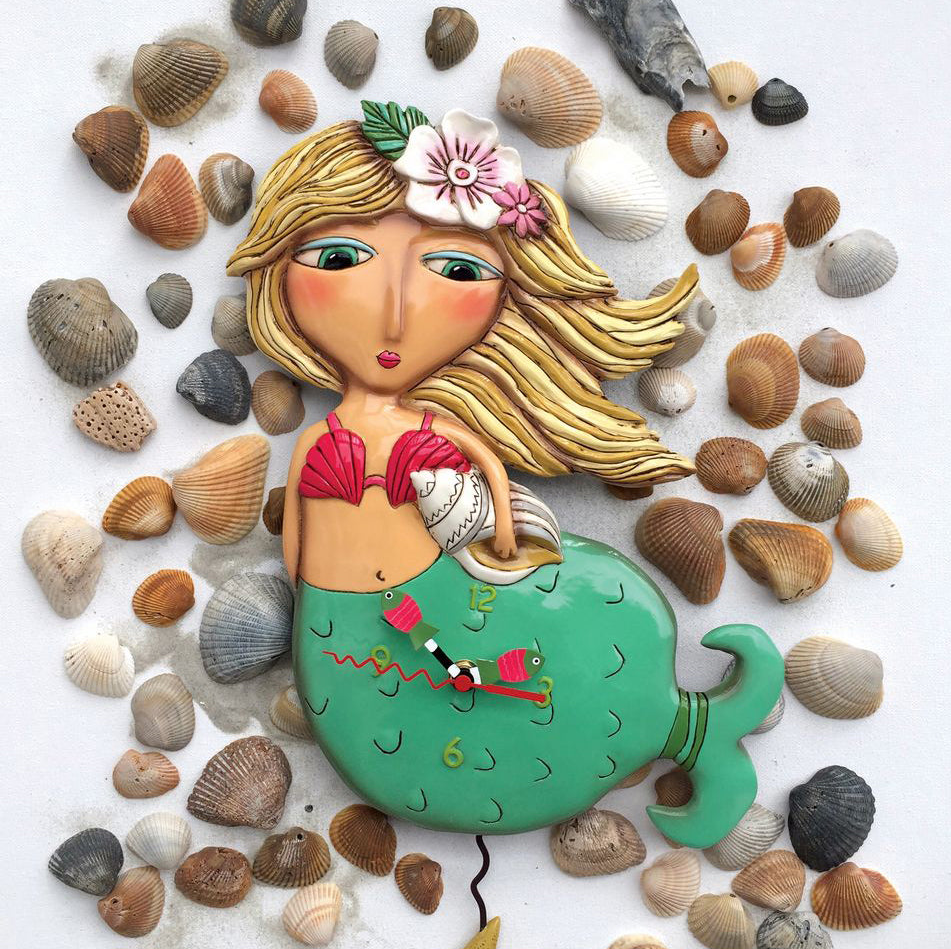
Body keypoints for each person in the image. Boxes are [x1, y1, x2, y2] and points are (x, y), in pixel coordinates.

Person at [226, 103, 782, 846]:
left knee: (578, 660)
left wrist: (496, 543)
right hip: (346, 633)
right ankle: (694, 733)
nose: (393, 315)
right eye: (337, 260)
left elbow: (495, 505)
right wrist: (312, 607)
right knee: (419, 731)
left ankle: (689, 733)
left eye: (457, 270)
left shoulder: (439, 433)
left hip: (445, 604)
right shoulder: (321, 440)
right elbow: (296, 549)